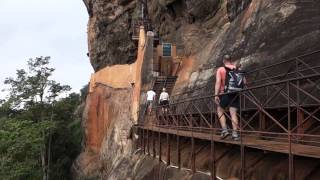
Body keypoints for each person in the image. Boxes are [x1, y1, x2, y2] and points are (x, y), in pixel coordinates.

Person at [214, 54, 246, 141]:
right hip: (235, 93)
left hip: (224, 93)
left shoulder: (220, 69)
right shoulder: (237, 69)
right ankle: (235, 134)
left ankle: (225, 130)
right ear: (231, 60)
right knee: (233, 113)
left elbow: (218, 82)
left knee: (220, 110)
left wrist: (216, 95)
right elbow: (244, 82)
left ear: (224, 60)